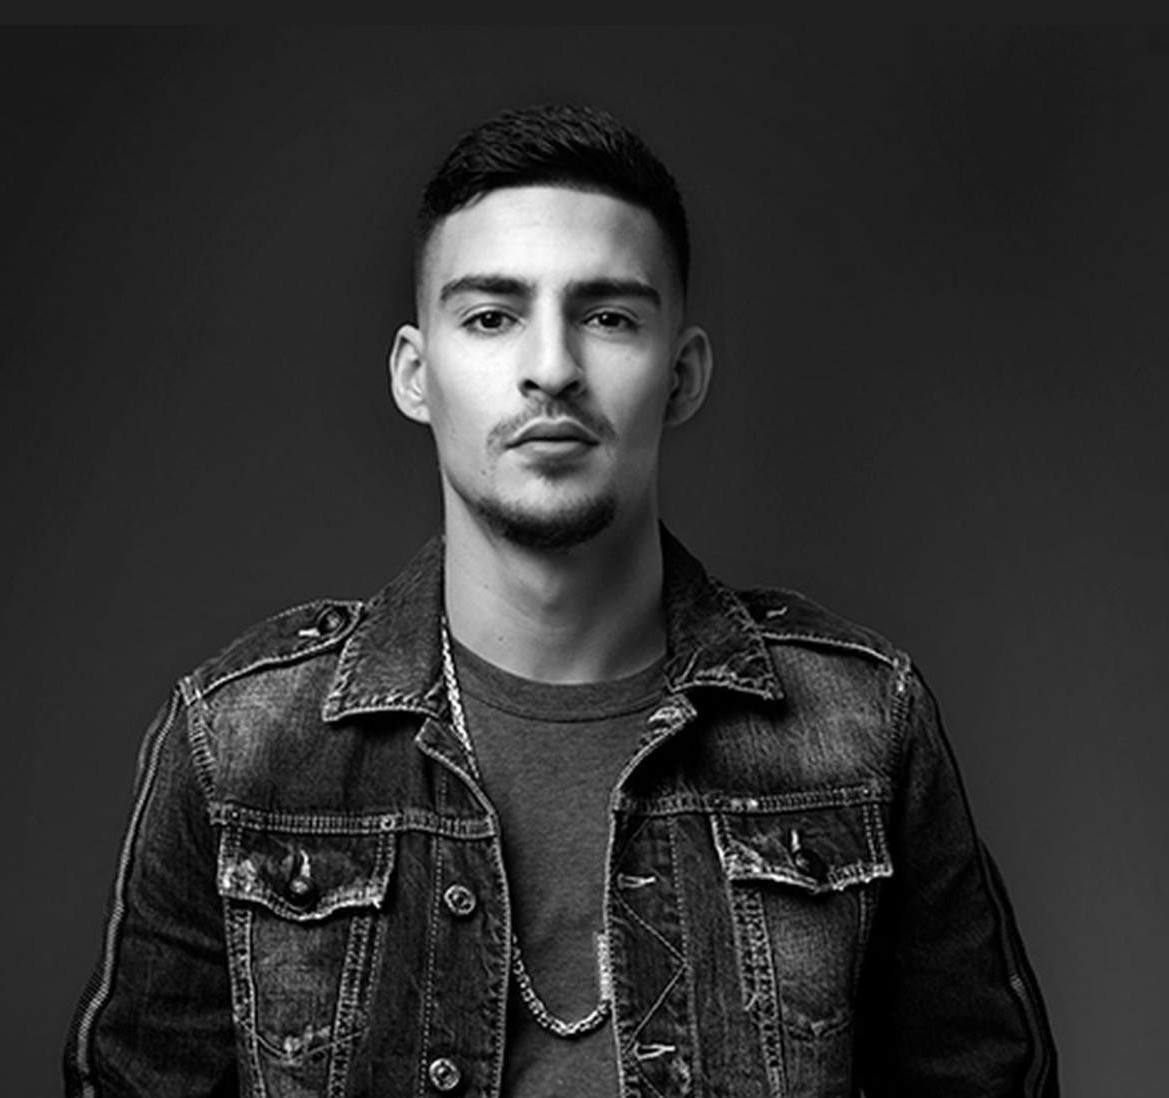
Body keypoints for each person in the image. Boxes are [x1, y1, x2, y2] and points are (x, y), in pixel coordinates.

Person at [65, 103, 1058, 1097]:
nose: (551, 368)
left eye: (608, 317)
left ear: (682, 375)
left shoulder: (860, 730)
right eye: (491, 317)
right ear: (416, 374)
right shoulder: (241, 747)